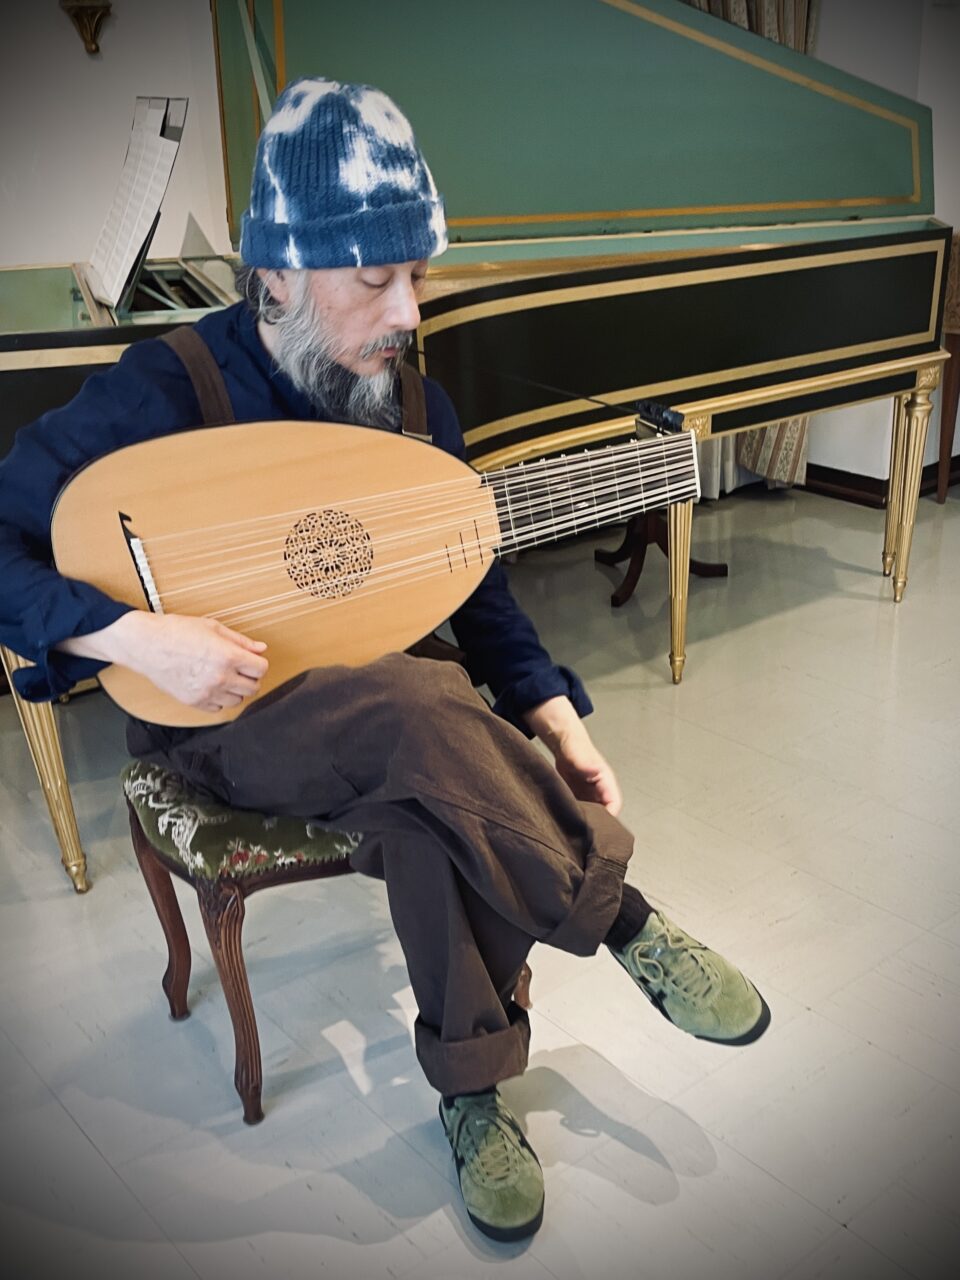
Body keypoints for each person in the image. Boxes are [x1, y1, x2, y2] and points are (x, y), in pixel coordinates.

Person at [0, 78, 769, 1243]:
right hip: (219, 720)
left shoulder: (414, 411)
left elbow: (480, 592)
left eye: (419, 275)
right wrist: (130, 634)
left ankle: (472, 1093)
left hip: (393, 715)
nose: (409, 311)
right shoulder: (166, 389)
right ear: (278, 275)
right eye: (375, 279)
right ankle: (624, 918)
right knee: (429, 704)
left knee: (426, 774)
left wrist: (561, 724)